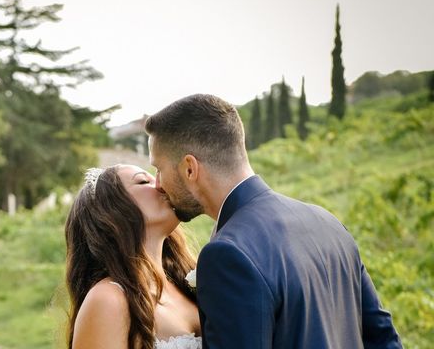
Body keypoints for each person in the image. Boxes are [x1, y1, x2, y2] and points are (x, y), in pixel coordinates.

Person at [145, 93, 403, 349]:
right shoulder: (327, 222)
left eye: (159, 169)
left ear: (190, 168)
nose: (157, 183)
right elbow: (384, 340)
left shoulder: (227, 254)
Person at [65, 164, 202, 349]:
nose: (162, 185)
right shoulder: (108, 300)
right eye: (144, 181)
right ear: (111, 213)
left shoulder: (185, 283)